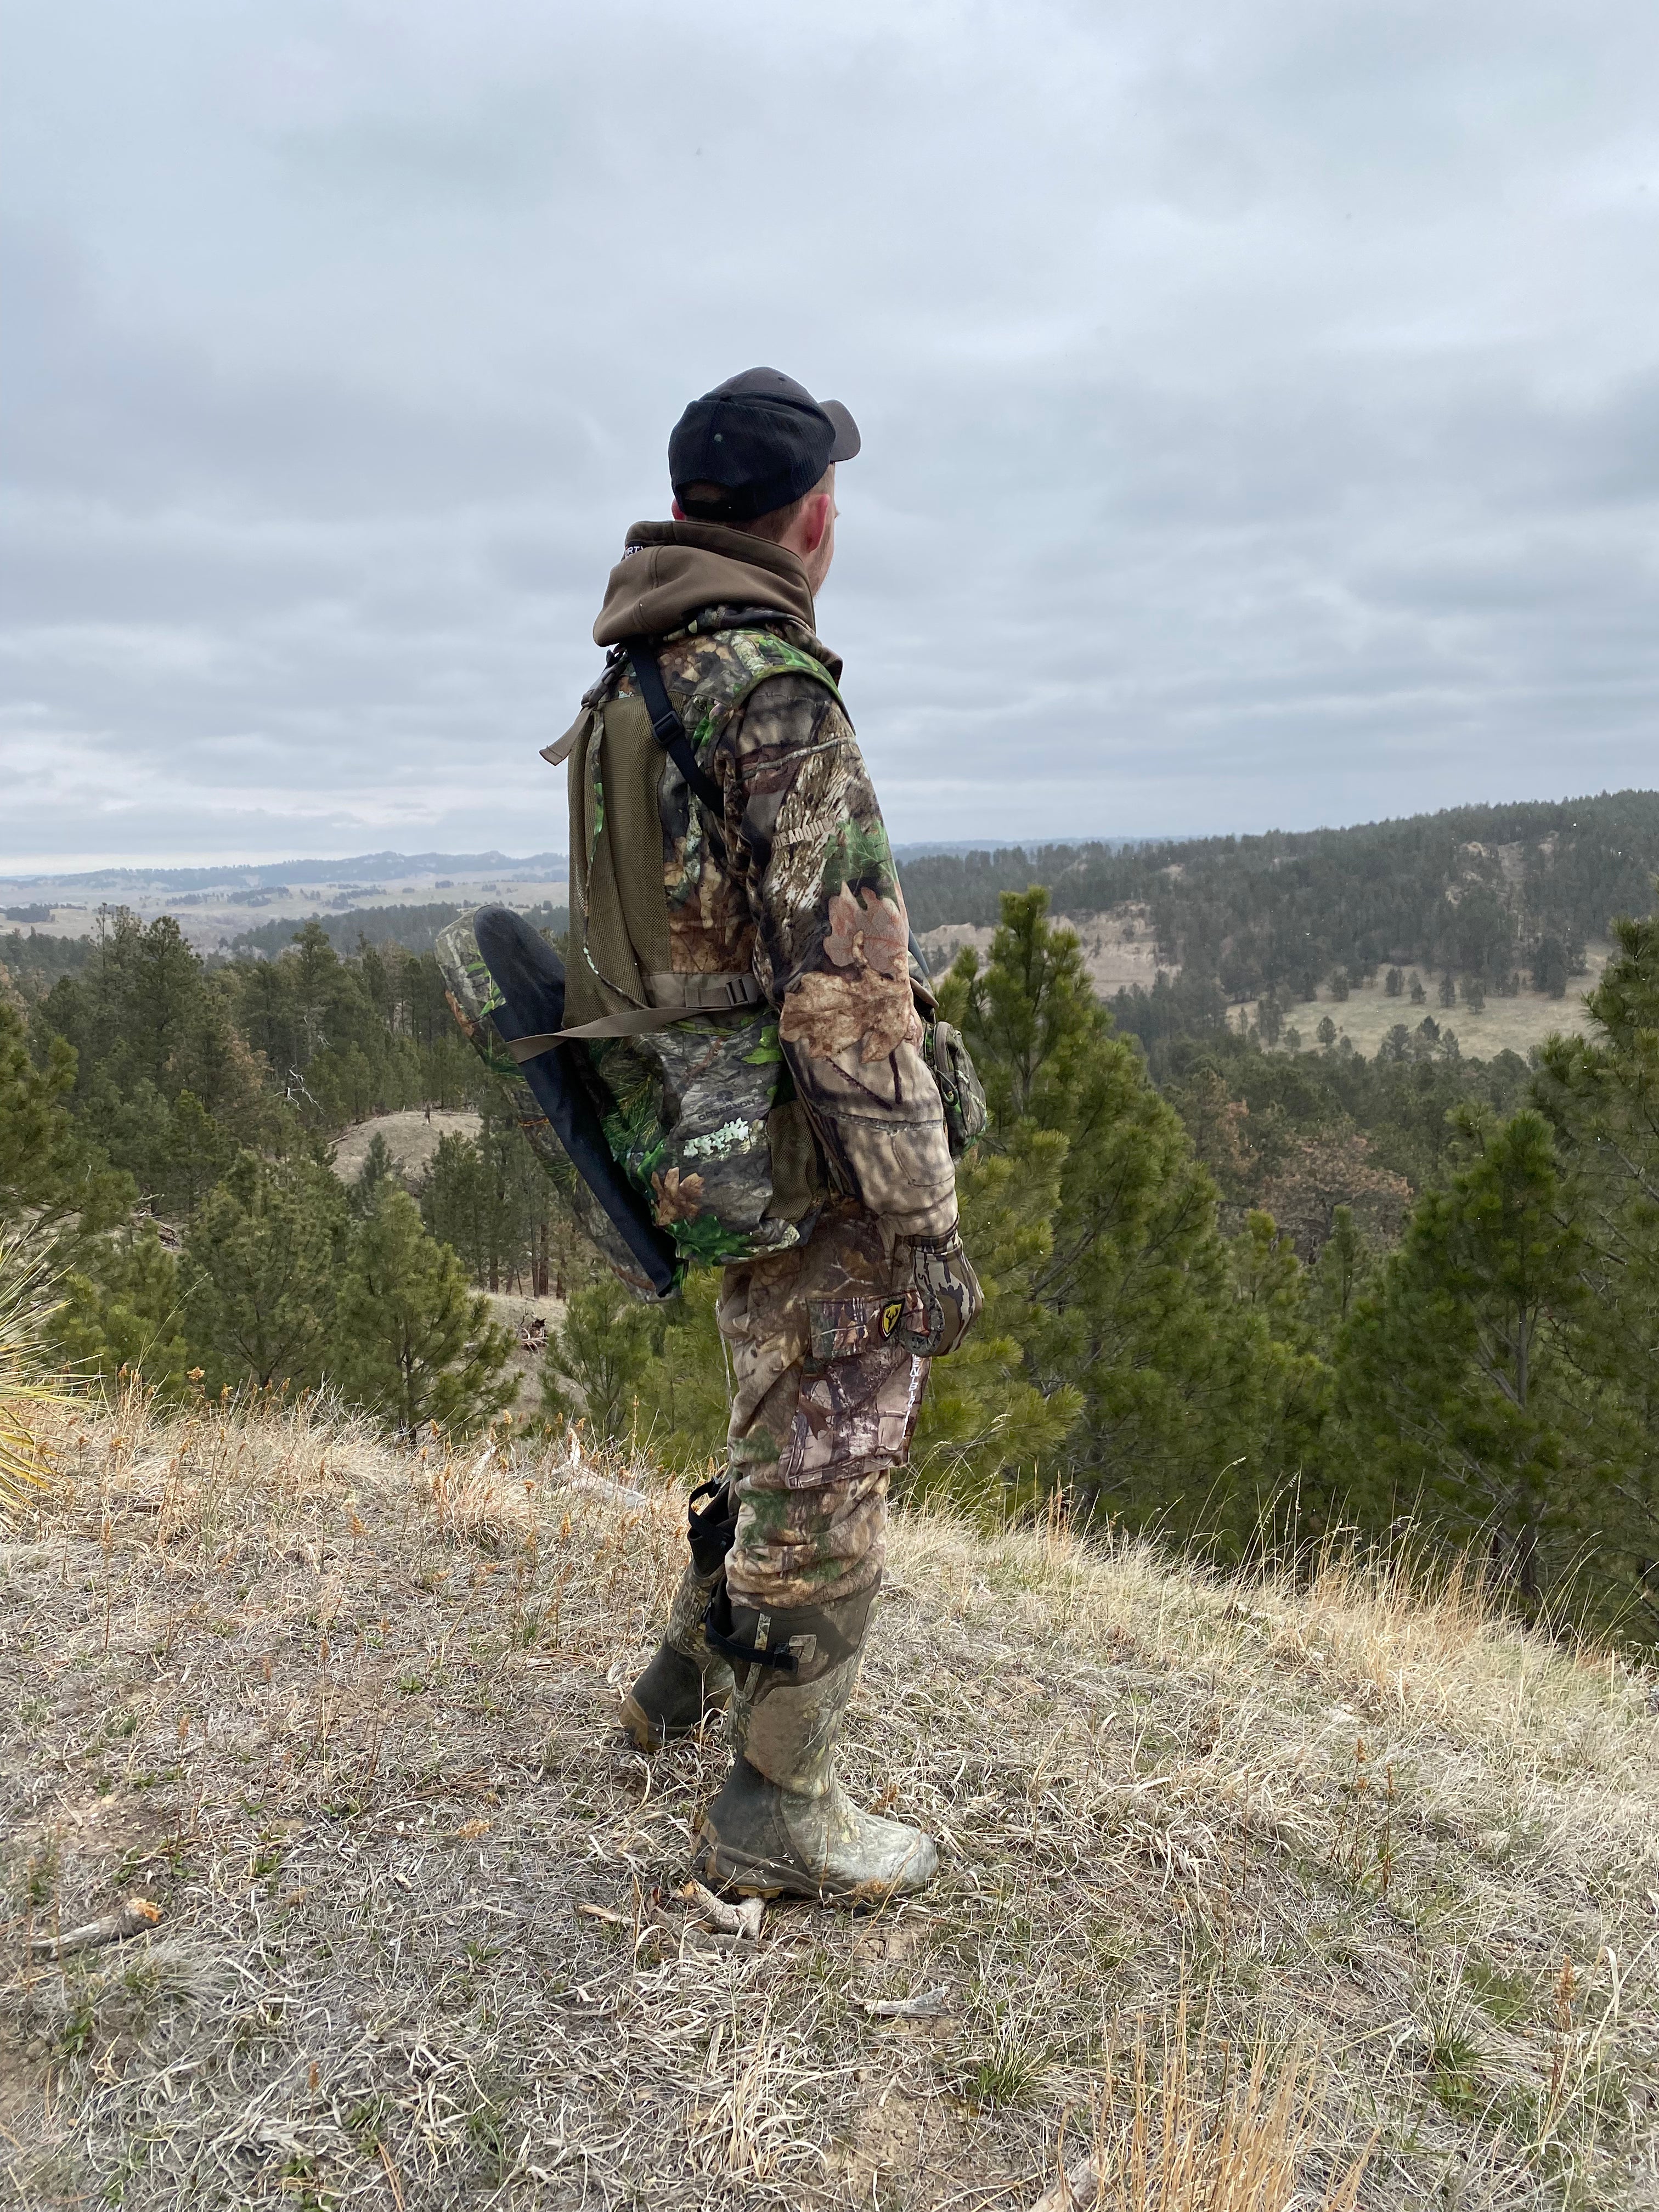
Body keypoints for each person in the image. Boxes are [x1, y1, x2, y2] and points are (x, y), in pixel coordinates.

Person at [599, 369, 982, 1903]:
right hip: (807, 1149)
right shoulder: (775, 694)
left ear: (686, 507)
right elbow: (850, 994)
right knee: (830, 1458)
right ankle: (776, 1810)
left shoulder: (640, 676)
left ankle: (677, 1685)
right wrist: (923, 1219)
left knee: (780, 1417)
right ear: (811, 517)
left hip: (707, 1138)